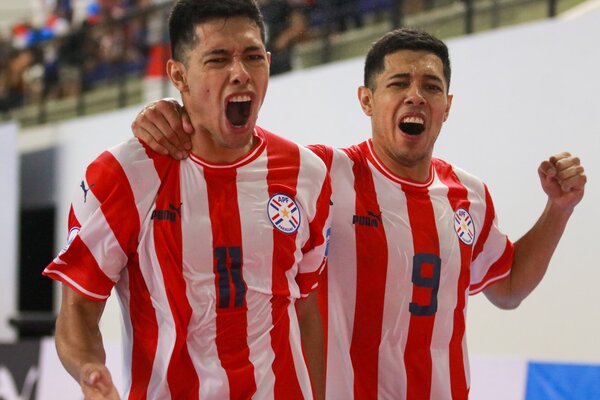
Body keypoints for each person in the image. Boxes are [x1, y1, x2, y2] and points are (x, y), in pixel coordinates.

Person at [131, 28, 587, 399]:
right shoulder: (320, 174)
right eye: (398, 84)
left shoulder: (469, 195)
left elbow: (507, 288)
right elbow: (234, 149)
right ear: (366, 100)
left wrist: (559, 209)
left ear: (447, 107)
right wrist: (175, 112)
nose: (416, 96)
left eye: (431, 87)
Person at [43, 0, 331, 399]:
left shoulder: (308, 173)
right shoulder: (122, 175)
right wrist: (90, 369)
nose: (240, 74)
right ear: (179, 74)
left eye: (252, 57)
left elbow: (306, 307)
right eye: (217, 59)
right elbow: (77, 308)